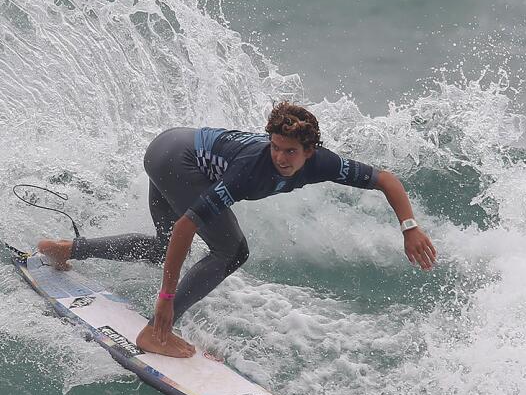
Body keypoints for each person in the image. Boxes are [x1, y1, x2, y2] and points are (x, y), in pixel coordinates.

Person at [37, 102, 437, 357]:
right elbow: (185, 228)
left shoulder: (326, 164)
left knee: (161, 248)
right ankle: (158, 331)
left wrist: (409, 227)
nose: (280, 157)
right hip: (177, 159)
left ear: (310, 152)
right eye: (275, 147)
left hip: (168, 147)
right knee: (232, 250)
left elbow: (385, 178)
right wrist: (164, 296)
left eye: (290, 152)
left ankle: (67, 250)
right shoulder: (250, 171)